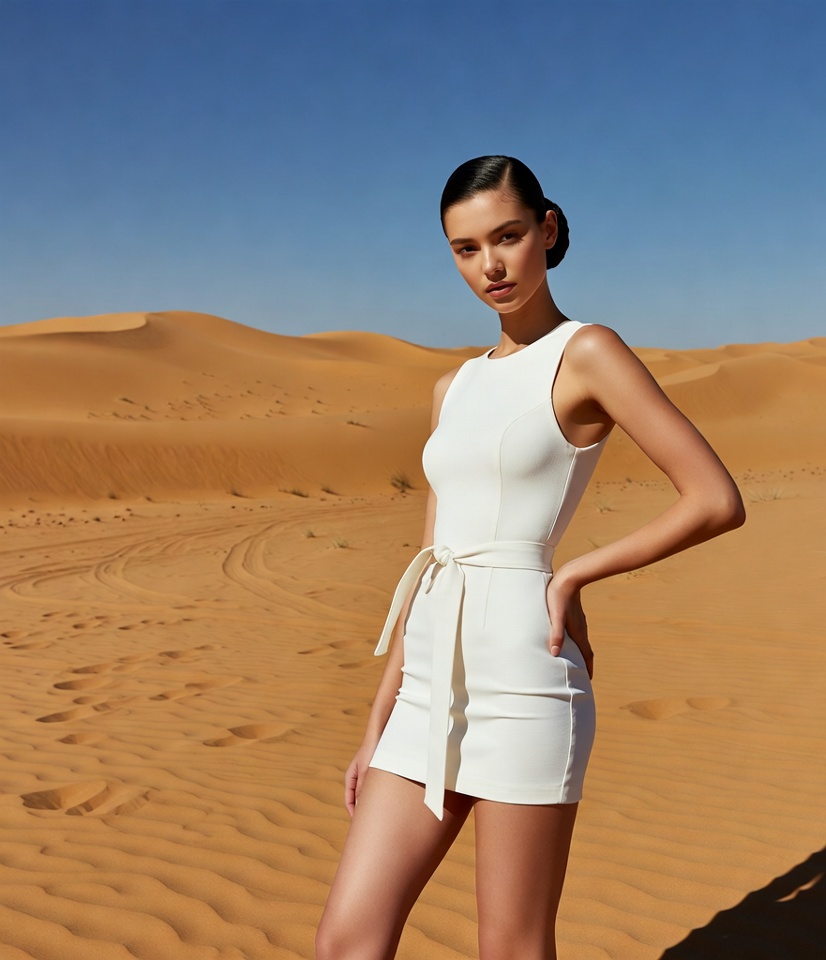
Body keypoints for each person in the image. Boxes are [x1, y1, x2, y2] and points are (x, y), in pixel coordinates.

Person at [314, 155, 746, 960]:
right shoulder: (456, 386)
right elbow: (432, 556)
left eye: (507, 237)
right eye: (466, 248)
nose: (491, 265)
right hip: (425, 689)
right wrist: (376, 722)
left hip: (526, 675)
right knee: (347, 941)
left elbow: (714, 499)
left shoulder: (586, 353)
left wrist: (576, 571)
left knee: (509, 947)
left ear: (546, 231)